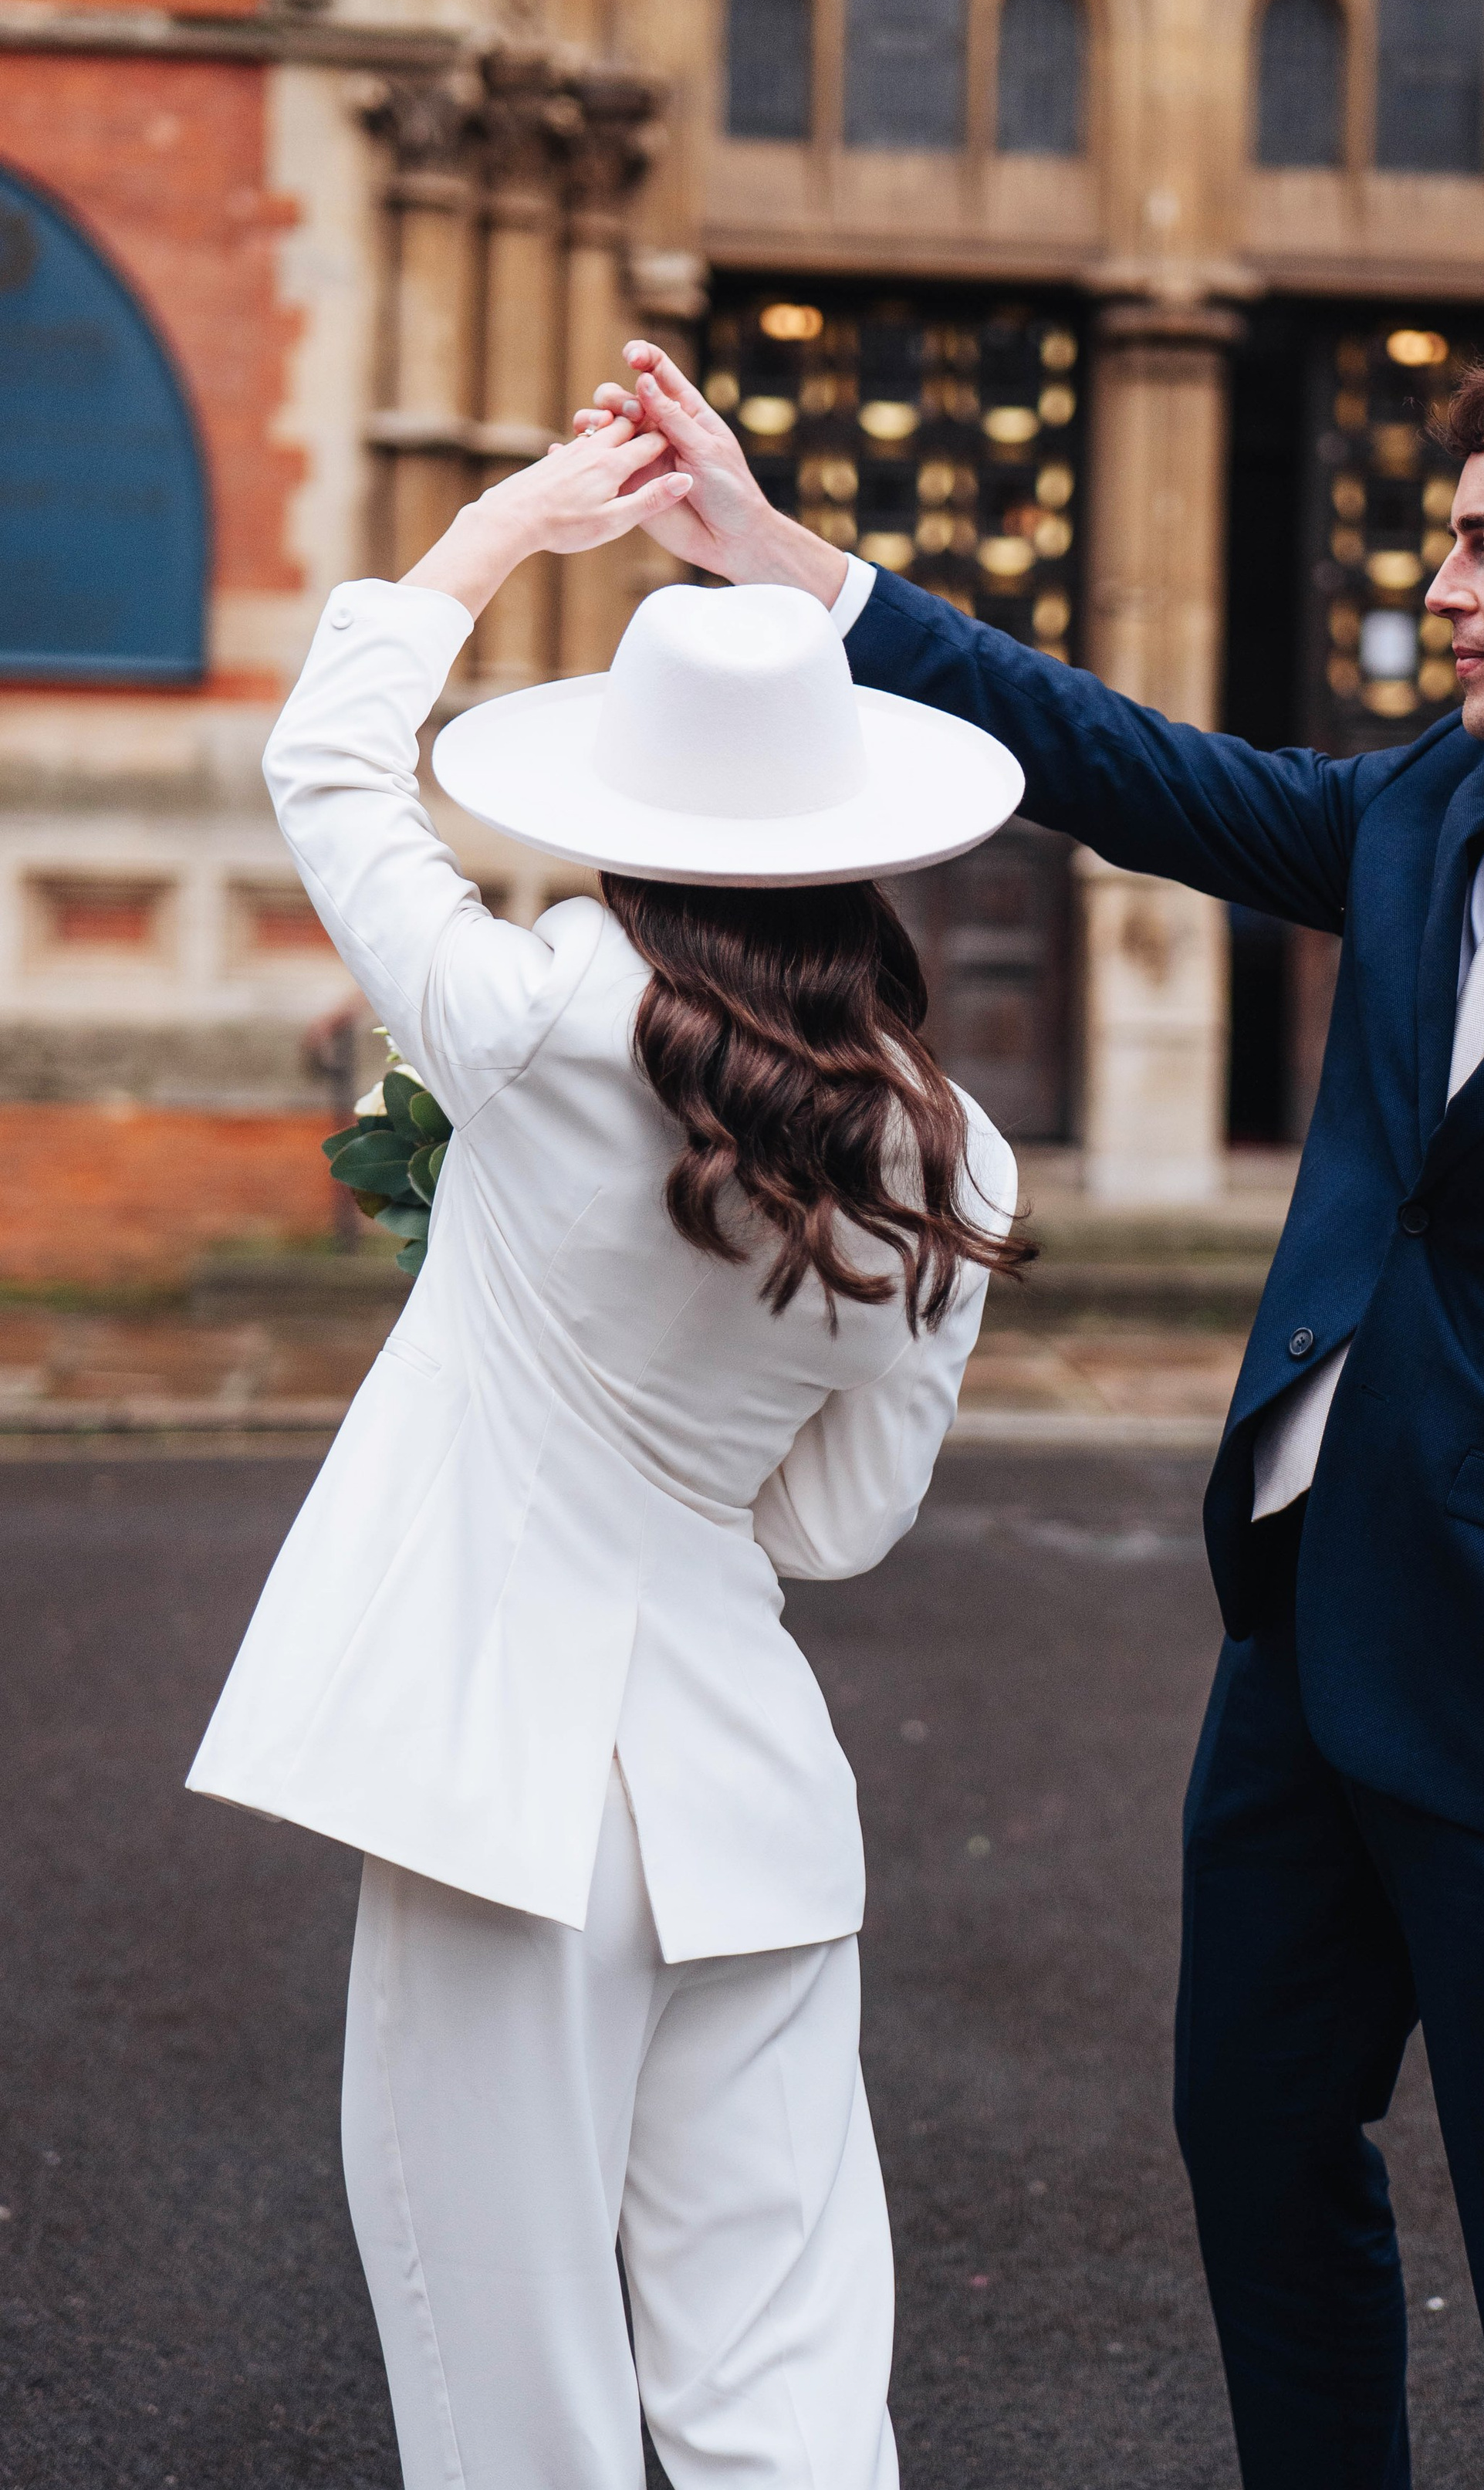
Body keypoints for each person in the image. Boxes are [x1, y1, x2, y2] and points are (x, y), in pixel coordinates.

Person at [576, 323, 1484, 2488]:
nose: (1442, 587)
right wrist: (784, 562)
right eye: (1446, 536)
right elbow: (1115, 759)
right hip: (1308, 1647)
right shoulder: (1426, 808)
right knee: (1248, 2134)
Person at [187, 412, 1029, 2490]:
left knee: (514, 2399)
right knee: (785, 2389)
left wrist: (512, 520)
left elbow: (326, 766)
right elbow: (835, 1524)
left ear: (622, 821)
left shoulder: (531, 1014)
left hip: (506, 1794)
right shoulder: (956, 1157)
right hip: (753, 1796)